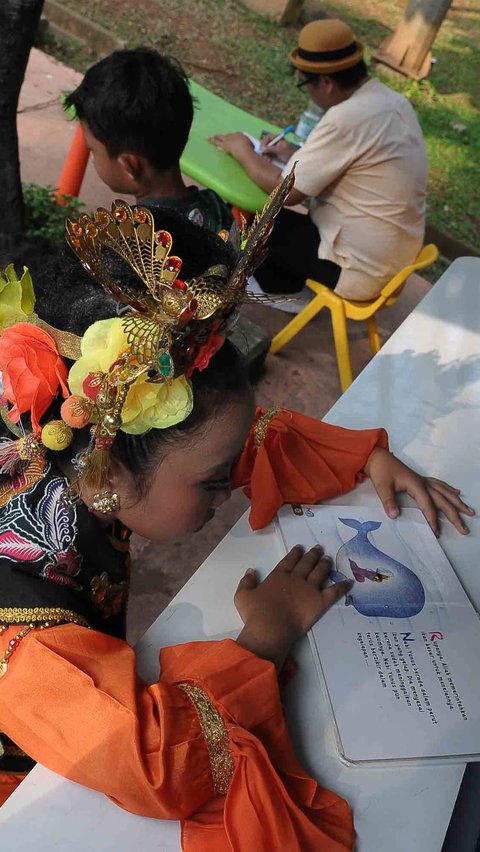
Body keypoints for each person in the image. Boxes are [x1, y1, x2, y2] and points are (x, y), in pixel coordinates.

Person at [0, 187, 472, 850]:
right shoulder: (24, 641)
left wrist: (363, 460)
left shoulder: (66, 432)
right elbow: (155, 765)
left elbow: (235, 441)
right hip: (26, 791)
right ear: (112, 475)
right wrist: (263, 640)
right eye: (214, 483)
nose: (230, 490)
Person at [211, 19, 428, 300]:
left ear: (325, 82)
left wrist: (241, 148)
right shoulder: (391, 101)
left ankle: (274, 288)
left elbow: (285, 193)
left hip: (357, 268)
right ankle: (282, 282)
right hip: (391, 259)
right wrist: (291, 155)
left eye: (305, 83)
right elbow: (353, 165)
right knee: (268, 226)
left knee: (238, 216)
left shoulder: (347, 117)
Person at [65, 48, 233, 233]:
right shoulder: (216, 208)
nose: (91, 158)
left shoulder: (127, 240)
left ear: (129, 165)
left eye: (93, 149)